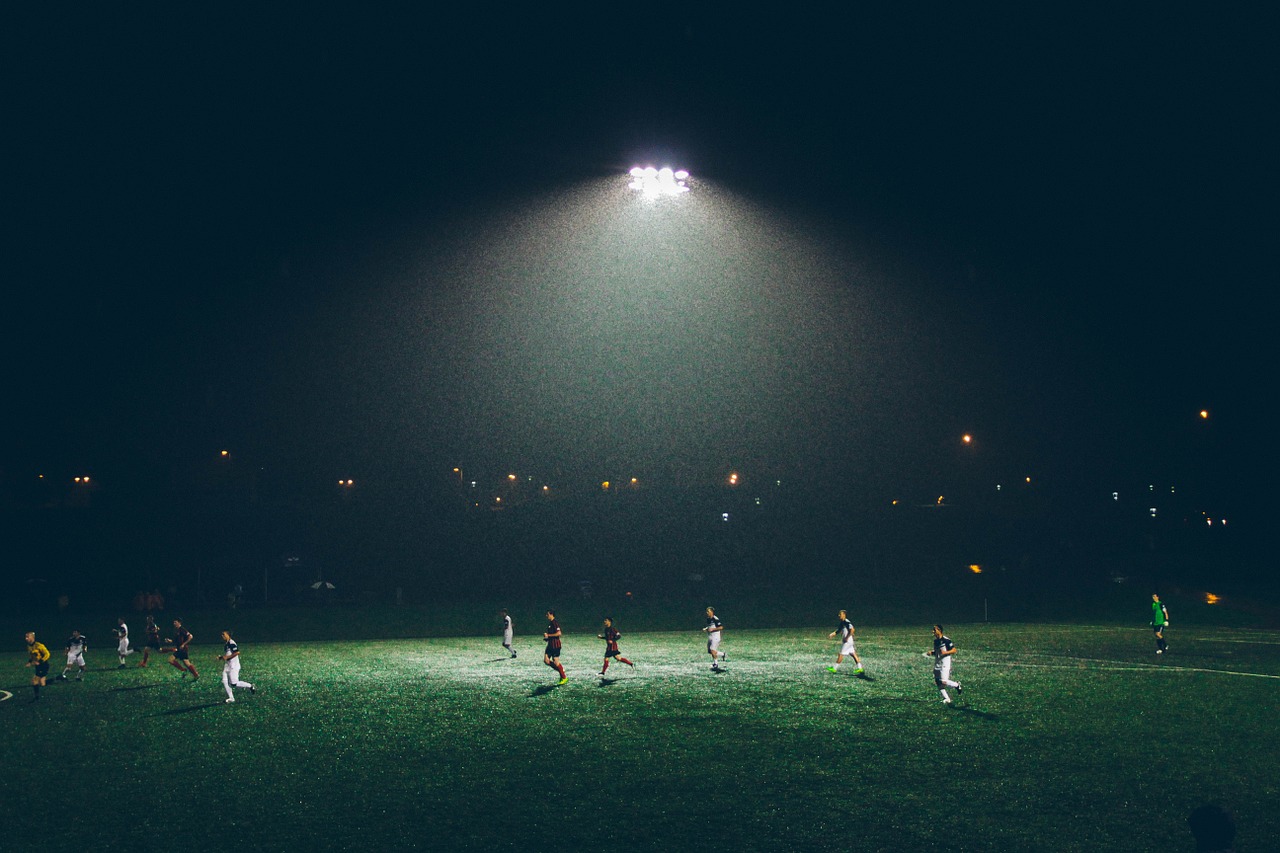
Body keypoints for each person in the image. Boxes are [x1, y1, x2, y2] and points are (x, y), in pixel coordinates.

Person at [925, 624, 962, 704]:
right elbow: (938, 652)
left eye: (934, 630)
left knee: (943, 681)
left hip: (945, 662)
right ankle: (947, 698)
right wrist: (932, 652)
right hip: (938, 662)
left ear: (939, 630)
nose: (933, 631)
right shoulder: (935, 641)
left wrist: (946, 652)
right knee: (938, 681)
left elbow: (954, 650)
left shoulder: (946, 640)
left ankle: (956, 685)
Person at [216, 630, 256, 703]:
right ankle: (231, 698)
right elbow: (228, 655)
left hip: (233, 666)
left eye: (224, 634)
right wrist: (221, 657)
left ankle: (250, 686)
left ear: (228, 635)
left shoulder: (231, 642)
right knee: (224, 681)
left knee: (234, 683)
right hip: (227, 665)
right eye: (222, 635)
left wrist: (227, 657)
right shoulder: (226, 644)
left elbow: (237, 652)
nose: (222, 636)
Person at [826, 609, 865, 675]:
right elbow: (838, 630)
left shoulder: (847, 622)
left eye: (840, 614)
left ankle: (834, 668)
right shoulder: (842, 622)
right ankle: (860, 668)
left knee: (841, 654)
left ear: (844, 615)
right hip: (849, 641)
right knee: (853, 654)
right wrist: (832, 634)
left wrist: (846, 637)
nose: (839, 615)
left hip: (847, 641)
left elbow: (852, 630)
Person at [542, 610, 567, 685]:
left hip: (555, 646)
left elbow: (559, 633)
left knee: (556, 662)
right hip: (550, 645)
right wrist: (547, 638)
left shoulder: (555, 623)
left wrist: (548, 635)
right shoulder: (550, 623)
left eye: (547, 614)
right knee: (546, 660)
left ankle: (564, 677)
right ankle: (561, 670)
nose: (546, 616)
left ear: (551, 614)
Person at [25, 632, 51, 701]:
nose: (26, 638)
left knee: (34, 680)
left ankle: (36, 697)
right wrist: (30, 662)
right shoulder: (29, 646)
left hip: (44, 665)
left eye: (28, 637)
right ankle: (58, 678)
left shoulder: (39, 645)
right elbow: (31, 656)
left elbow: (47, 654)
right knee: (42, 683)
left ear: (32, 638)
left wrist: (40, 661)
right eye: (26, 637)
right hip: (38, 666)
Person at [703, 606, 727, 671]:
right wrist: (706, 629)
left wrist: (713, 629)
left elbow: (721, 627)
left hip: (716, 637)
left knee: (712, 650)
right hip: (710, 636)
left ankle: (715, 664)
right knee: (709, 651)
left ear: (712, 612)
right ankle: (723, 654)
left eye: (708, 611)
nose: (707, 612)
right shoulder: (708, 619)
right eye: (707, 611)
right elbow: (710, 627)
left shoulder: (715, 618)